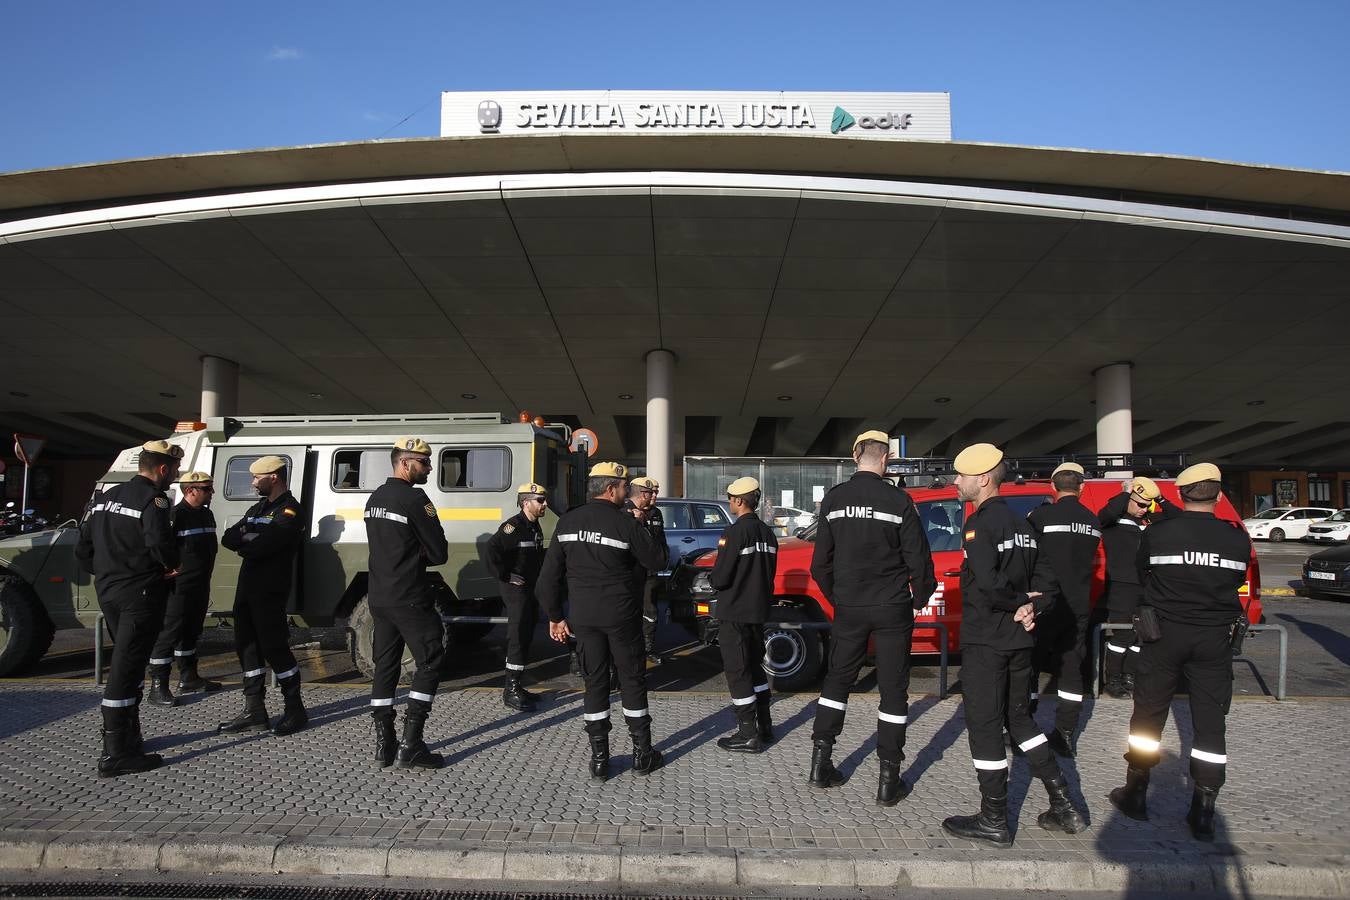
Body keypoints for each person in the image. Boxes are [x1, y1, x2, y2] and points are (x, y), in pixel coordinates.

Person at [941, 443, 1087, 846]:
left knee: (985, 727)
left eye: (962, 476)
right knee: (1021, 722)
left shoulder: (980, 524)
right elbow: (1049, 583)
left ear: (984, 479)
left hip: (987, 642)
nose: (956, 482)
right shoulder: (1024, 525)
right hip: (1020, 641)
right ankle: (1064, 805)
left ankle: (993, 820)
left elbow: (988, 583)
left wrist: (1019, 602)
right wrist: (1032, 607)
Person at [1109, 462, 1250, 841]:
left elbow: (1141, 574)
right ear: (1218, 496)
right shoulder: (1236, 538)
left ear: (1180, 494)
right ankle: (1203, 810)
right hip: (1213, 640)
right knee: (1210, 721)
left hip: (1162, 636)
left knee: (1148, 714)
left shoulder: (1159, 533)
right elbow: (1237, 580)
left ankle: (1136, 793)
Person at [807, 431, 936, 806]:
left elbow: (819, 564)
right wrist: (919, 598)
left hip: (850, 606)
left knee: (837, 681)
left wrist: (838, 598)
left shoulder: (834, 499)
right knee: (893, 690)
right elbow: (919, 559)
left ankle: (820, 766)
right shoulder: (899, 500)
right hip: (892, 606)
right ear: (886, 460)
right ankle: (888, 782)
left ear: (855, 456)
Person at [538, 462, 668, 780]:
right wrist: (643, 526)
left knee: (595, 683)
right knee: (632, 681)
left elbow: (547, 580)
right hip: (621, 617)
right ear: (611, 490)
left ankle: (599, 760)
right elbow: (657, 560)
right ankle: (642, 754)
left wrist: (555, 617)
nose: (627, 491)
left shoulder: (568, 521)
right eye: (624, 487)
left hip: (584, 619)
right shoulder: (625, 523)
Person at [76, 439, 183, 777]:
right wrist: (171, 565)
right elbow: (159, 542)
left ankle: (130, 738)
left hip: (109, 591)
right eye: (175, 470)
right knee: (125, 669)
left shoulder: (105, 498)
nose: (175, 475)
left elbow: (83, 549)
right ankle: (115, 754)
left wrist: (107, 571)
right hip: (140, 594)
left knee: (130, 664)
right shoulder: (155, 499)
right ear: (163, 469)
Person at [365, 438, 451, 769]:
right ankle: (411, 744)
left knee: (385, 666)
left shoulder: (375, 497)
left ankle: (384, 744)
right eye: (424, 462)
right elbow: (439, 552)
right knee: (430, 661)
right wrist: (419, 552)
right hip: (410, 597)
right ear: (405, 463)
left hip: (379, 597)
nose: (429, 468)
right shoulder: (415, 499)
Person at [216, 455, 308, 736]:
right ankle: (254, 710)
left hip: (270, 589)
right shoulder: (258, 508)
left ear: (274, 477)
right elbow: (228, 537)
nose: (253, 482)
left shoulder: (290, 509)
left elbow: (266, 545)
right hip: (247, 587)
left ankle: (295, 709)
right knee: (246, 647)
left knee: (274, 648)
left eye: (257, 477)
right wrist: (248, 537)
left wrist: (248, 538)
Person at [1026, 462, 1102, 757]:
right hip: (1078, 604)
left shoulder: (1040, 516)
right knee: (1071, 669)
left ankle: (1024, 730)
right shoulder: (1091, 521)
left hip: (1044, 601)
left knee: (1030, 665)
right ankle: (1065, 734)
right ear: (1081, 488)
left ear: (1052, 487)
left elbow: (1028, 556)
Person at [707, 476, 778, 753]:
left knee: (738, 672)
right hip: (758, 611)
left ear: (738, 500)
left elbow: (722, 576)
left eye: (730, 499)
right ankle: (765, 726)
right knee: (755, 668)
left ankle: (747, 733)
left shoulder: (735, 532)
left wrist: (712, 579)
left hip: (735, 611)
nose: (729, 503)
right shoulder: (768, 533)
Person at [146, 471, 222, 706]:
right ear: (190, 490)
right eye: (207, 489)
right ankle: (158, 687)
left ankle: (189, 678)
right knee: (169, 633)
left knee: (191, 631)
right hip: (178, 587)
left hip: (200, 585)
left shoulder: (206, 514)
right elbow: (159, 548)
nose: (211, 493)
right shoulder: (175, 515)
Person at [1096, 476, 1169, 697]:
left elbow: (1176, 517)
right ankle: (1113, 680)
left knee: (1142, 634)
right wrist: (1126, 492)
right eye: (1140, 504)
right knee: (1122, 635)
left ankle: (1130, 676)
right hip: (1122, 586)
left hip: (1145, 585)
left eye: (1147, 505)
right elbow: (1106, 514)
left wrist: (1160, 499)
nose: (1143, 509)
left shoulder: (1147, 522)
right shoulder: (1113, 520)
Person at [484, 482, 549, 712]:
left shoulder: (534, 526)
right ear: (525, 503)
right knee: (518, 635)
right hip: (516, 590)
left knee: (527, 634)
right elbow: (491, 550)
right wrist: (505, 575)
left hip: (530, 589)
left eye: (544, 499)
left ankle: (517, 685)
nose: (545, 504)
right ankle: (510, 690)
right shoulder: (513, 526)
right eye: (540, 500)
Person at [625, 476, 667, 665]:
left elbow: (661, 540)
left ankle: (648, 648)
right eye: (652, 493)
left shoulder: (656, 513)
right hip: (633, 572)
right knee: (631, 611)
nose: (655, 496)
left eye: (656, 492)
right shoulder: (627, 510)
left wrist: (664, 557)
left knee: (650, 611)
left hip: (651, 572)